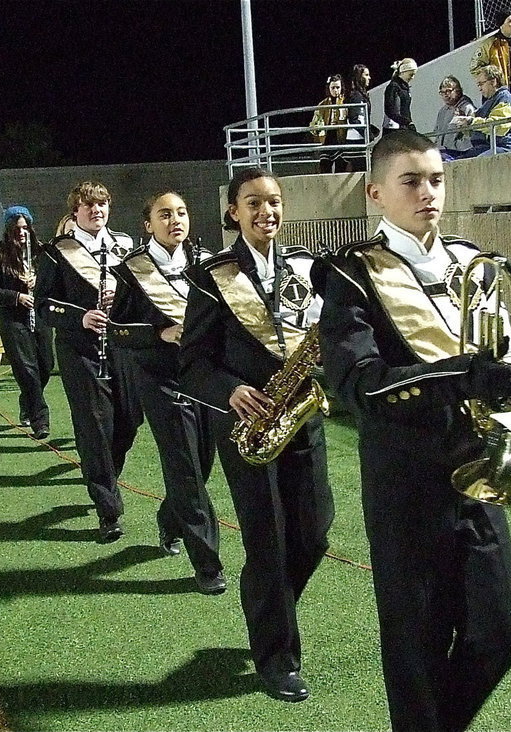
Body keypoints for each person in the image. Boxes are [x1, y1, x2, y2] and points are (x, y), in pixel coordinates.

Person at [310, 130, 511, 731]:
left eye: (436, 179)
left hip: (479, 475)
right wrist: (457, 373)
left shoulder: (471, 260)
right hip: (405, 487)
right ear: (377, 192)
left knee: (502, 628)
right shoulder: (351, 276)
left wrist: (507, 382)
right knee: (417, 650)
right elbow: (358, 385)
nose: (427, 192)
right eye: (411, 182)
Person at [180, 168, 334, 702]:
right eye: (253, 203)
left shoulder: (307, 268)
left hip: (302, 418)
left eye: (273, 202)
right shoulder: (211, 275)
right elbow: (192, 363)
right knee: (267, 539)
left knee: (314, 534)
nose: (266, 211)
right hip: (246, 425)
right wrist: (231, 391)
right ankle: (277, 657)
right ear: (233, 212)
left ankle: (269, 609)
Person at [109, 190, 224, 594]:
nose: (175, 220)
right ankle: (208, 564)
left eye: (181, 212)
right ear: (148, 224)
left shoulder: (209, 262)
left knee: (203, 464)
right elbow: (116, 330)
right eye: (164, 214)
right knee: (185, 467)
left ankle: (169, 517)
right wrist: (160, 332)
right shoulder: (132, 269)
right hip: (159, 378)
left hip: (205, 378)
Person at [35, 181, 141, 542]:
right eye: (89, 205)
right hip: (79, 347)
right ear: (75, 210)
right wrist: (79, 315)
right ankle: (108, 509)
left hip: (122, 346)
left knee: (128, 419)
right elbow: (43, 304)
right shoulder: (56, 252)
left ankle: (107, 476)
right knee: (95, 424)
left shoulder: (126, 245)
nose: (97, 210)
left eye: (102, 204)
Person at [0, 206, 53, 439]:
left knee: (45, 366)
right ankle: (40, 420)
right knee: (27, 369)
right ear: (8, 230)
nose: (22, 233)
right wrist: (17, 296)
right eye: (17, 229)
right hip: (12, 318)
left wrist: (38, 283)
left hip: (39, 315)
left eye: (25, 228)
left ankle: (27, 402)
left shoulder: (41, 252)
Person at [470, 6, 511, 145]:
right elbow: (474, 66)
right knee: (495, 129)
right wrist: (489, 78)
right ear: (501, 23)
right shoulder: (489, 44)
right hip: (498, 93)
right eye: (510, 21)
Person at [452, 64, 511, 157]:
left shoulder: (507, 100)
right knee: (458, 160)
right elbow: (477, 126)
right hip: (487, 147)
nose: (480, 88)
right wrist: (464, 124)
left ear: (493, 82)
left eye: (481, 84)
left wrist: (471, 121)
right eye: (478, 85)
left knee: (475, 162)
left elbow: (498, 126)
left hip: (505, 149)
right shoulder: (489, 102)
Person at [309, 74, 348, 173]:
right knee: (324, 165)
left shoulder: (346, 101)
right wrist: (317, 128)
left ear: (341, 88)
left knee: (341, 165)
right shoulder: (323, 104)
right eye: (333, 88)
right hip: (327, 136)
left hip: (341, 136)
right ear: (329, 88)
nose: (335, 90)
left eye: (338, 87)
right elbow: (314, 123)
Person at [433, 75, 476, 158]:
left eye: (448, 91)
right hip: (441, 152)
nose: (445, 95)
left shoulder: (467, 108)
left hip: (458, 153)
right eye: (442, 92)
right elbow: (437, 133)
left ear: (458, 90)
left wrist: (456, 146)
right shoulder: (442, 111)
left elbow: (470, 136)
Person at [345, 64, 374, 172]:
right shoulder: (357, 95)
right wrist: (366, 133)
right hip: (356, 140)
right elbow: (355, 119)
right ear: (359, 77)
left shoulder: (360, 94)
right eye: (366, 75)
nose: (369, 78)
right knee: (361, 171)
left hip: (358, 138)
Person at [382, 58, 418, 135]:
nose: (413, 77)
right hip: (393, 130)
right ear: (403, 72)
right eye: (411, 74)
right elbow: (391, 111)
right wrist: (407, 123)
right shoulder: (393, 87)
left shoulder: (404, 88)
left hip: (403, 128)